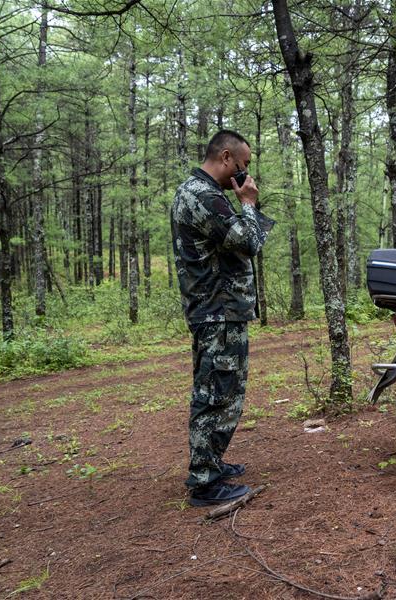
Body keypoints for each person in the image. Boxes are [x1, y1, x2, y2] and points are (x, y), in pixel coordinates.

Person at [170, 129, 274, 506]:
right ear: (226, 158)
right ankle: (204, 482)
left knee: (226, 390)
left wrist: (243, 206)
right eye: (243, 165)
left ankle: (212, 461)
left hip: (223, 310)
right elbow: (248, 243)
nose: (245, 174)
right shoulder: (201, 197)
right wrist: (248, 203)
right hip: (216, 311)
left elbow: (244, 244)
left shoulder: (207, 195)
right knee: (214, 392)